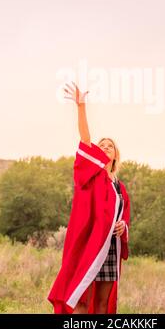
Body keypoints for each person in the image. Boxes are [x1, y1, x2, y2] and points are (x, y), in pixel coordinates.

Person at [47, 81, 131, 314]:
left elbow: (124, 217)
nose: (104, 147)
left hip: (110, 248)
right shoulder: (94, 176)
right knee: (82, 299)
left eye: (110, 146)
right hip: (91, 246)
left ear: (115, 156)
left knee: (103, 303)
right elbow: (85, 139)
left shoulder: (120, 188)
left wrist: (124, 227)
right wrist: (81, 106)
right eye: (101, 145)